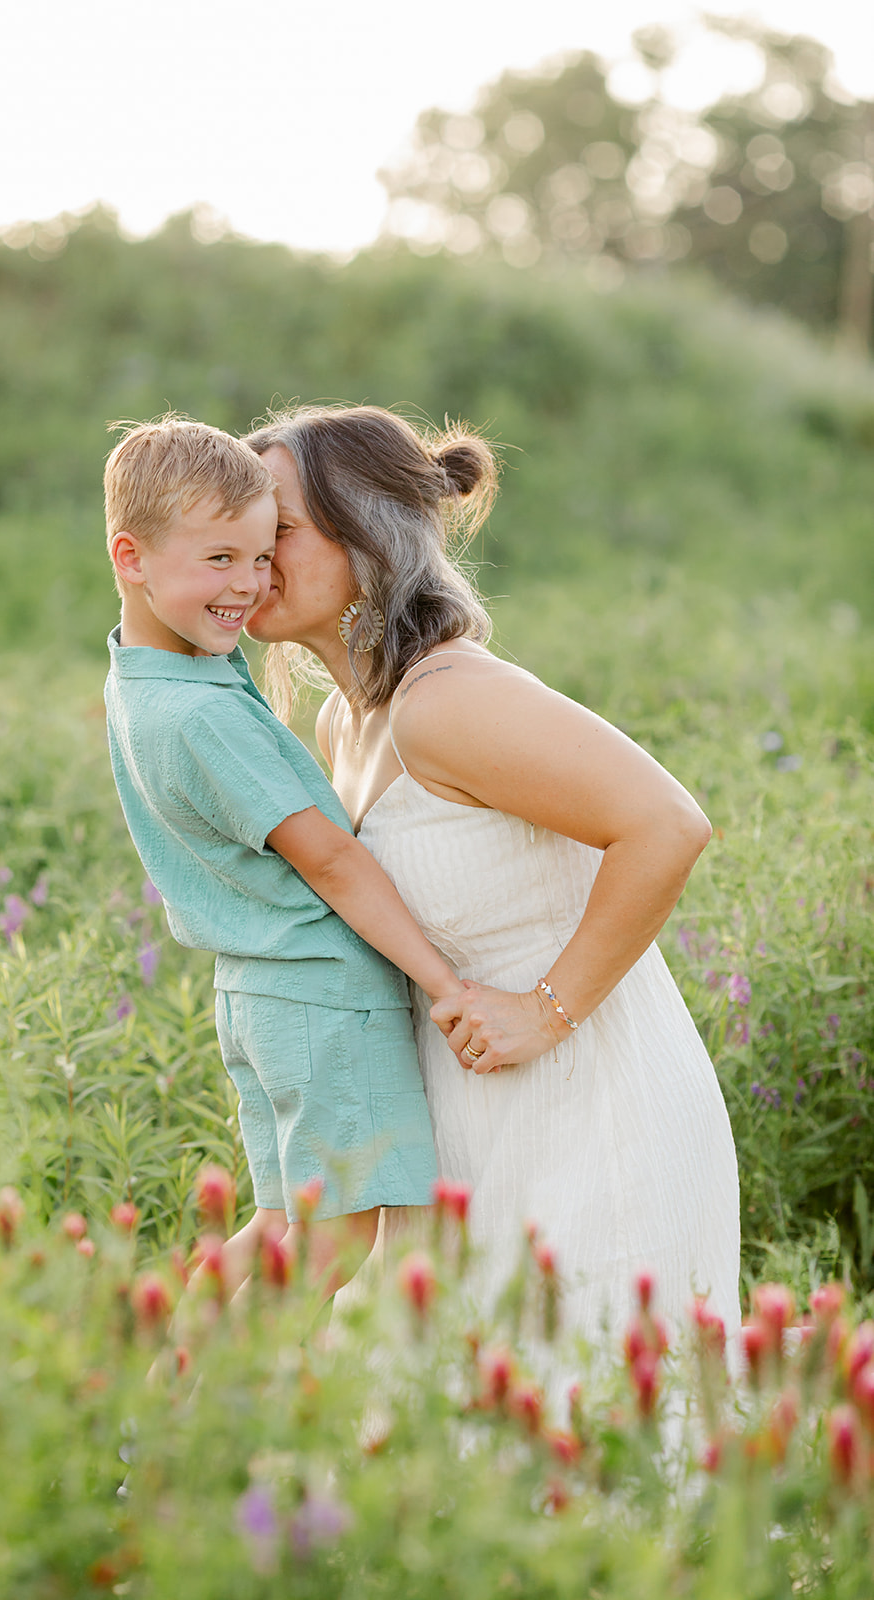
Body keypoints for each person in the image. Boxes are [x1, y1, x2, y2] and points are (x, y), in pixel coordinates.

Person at [243, 403, 741, 1345]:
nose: (251, 557)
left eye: (279, 532)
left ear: (368, 543)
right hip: (460, 1114)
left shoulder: (448, 701)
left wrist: (543, 1009)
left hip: (592, 1107)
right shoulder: (344, 724)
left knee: (585, 1425)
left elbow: (666, 823)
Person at [102, 416, 467, 1303]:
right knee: (331, 1246)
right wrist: (446, 985)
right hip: (321, 997)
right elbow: (333, 863)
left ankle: (162, 1397)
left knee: (277, 1226)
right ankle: (217, 1411)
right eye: (219, 560)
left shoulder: (149, 672)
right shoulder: (202, 715)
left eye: (264, 556)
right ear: (131, 557)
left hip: (260, 993)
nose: (248, 587)